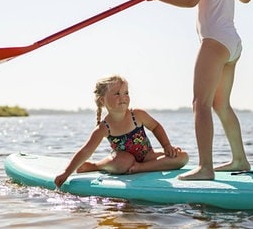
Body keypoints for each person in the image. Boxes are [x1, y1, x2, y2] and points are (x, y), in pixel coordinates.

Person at [142, 0, 252, 180]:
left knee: (199, 103)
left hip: (214, 41)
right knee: (220, 104)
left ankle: (205, 167)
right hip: (233, 43)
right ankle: (239, 159)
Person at [54, 75, 189, 189]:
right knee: (124, 162)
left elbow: (156, 127)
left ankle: (140, 168)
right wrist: (66, 173)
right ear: (103, 100)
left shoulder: (137, 115)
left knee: (182, 156)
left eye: (126, 93)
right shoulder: (104, 127)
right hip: (122, 159)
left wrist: (167, 146)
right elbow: (86, 151)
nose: (123, 97)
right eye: (117, 93)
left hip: (147, 155)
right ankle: (96, 165)